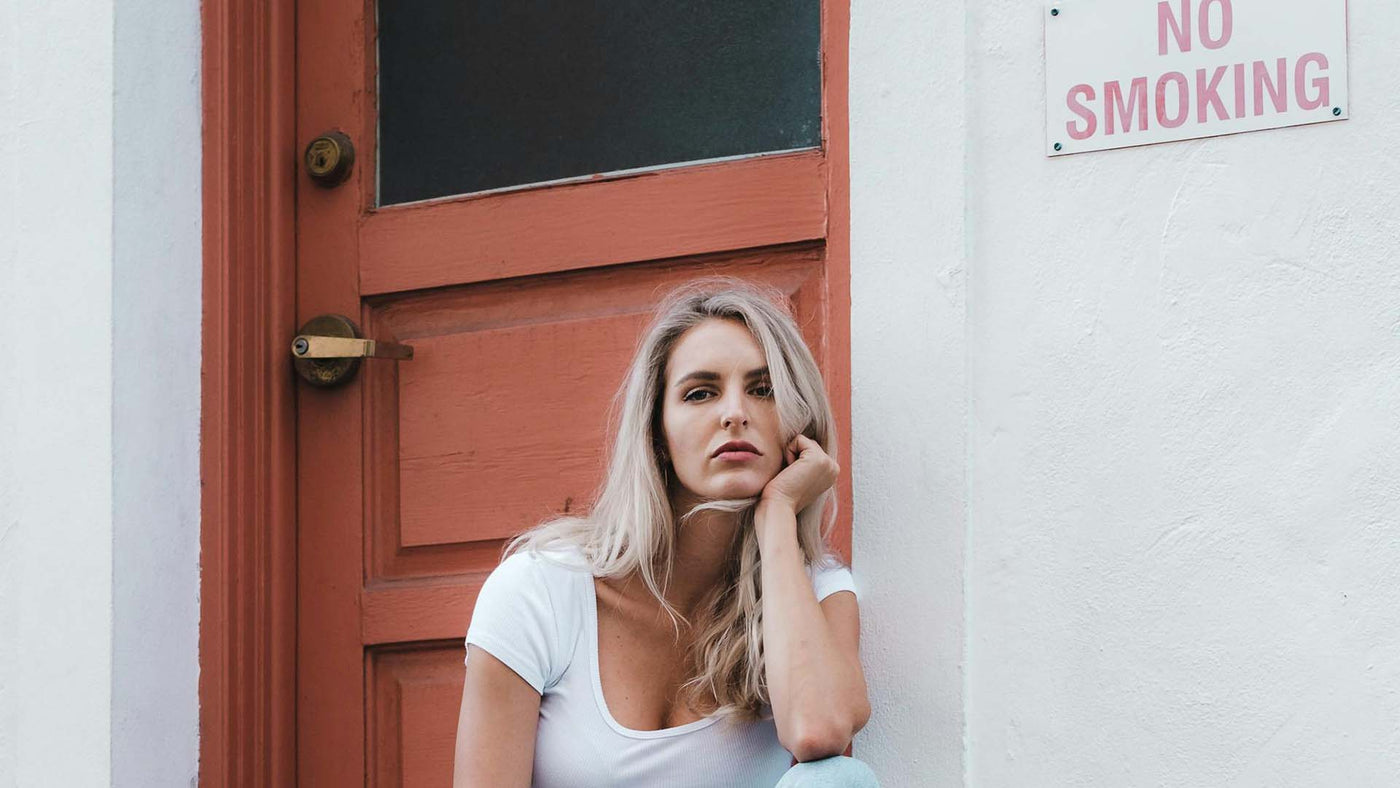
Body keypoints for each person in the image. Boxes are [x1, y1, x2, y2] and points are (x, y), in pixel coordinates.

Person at [452, 278, 878, 787]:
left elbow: (819, 732)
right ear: (657, 431)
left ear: (798, 424)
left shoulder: (815, 592)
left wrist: (778, 515)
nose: (735, 413)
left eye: (763, 390)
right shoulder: (542, 590)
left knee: (833, 782)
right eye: (701, 393)